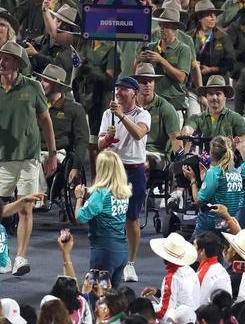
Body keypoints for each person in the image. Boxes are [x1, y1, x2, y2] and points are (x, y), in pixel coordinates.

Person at [0, 41, 58, 276]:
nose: (1, 62)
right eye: (0, 58)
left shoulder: (33, 87)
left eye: (7, 58)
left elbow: (45, 121)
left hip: (30, 157)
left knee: (25, 208)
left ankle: (20, 257)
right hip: (3, 157)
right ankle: (0, 256)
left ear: (18, 63)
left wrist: (52, 154)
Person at [98, 77, 150, 282]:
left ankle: (131, 263)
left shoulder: (142, 114)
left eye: (124, 90)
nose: (118, 93)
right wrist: (107, 139)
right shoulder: (106, 114)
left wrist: (121, 116)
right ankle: (108, 258)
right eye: (117, 89)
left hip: (133, 169)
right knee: (107, 216)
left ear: (134, 93)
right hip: (113, 168)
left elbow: (138, 134)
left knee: (132, 217)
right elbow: (101, 143)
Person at [74, 150, 130, 288]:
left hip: (104, 252)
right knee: (113, 297)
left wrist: (79, 198)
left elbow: (80, 217)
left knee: (97, 293)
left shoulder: (100, 193)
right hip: (122, 251)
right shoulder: (124, 192)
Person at [34, 64, 89, 187]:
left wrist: (76, 166)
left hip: (60, 153)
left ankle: (39, 198)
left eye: (46, 81)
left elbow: (82, 140)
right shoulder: (36, 106)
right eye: (41, 80)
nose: (41, 83)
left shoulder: (74, 109)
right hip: (35, 151)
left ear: (57, 85)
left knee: (36, 163)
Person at [183, 136, 243, 239]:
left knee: (193, 251)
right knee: (220, 250)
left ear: (211, 153)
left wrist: (192, 180)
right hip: (230, 223)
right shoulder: (237, 173)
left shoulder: (214, 173)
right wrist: (205, 180)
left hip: (213, 223)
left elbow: (198, 201)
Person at [136, 8, 192, 115]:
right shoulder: (151, 47)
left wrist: (161, 60)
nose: (161, 29)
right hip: (152, 102)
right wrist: (138, 60)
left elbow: (181, 77)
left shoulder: (183, 49)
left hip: (174, 103)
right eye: (160, 25)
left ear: (175, 28)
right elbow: (136, 74)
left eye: (166, 26)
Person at [182, 76, 245, 150]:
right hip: (203, 160)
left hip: (229, 160)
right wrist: (187, 130)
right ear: (206, 96)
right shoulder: (196, 118)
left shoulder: (235, 117)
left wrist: (233, 141)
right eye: (211, 94)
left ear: (224, 96)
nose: (214, 97)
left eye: (218, 94)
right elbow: (189, 127)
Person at [142, 232, 200, 319]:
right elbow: (178, 295)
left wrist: (142, 309)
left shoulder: (172, 277)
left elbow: (162, 312)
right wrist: (157, 292)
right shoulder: (189, 270)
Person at [194, 231, 232, 301]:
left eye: (194, 246)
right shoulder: (221, 269)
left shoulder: (203, 274)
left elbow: (198, 303)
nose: (192, 249)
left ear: (202, 251)